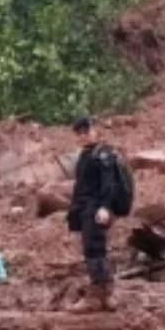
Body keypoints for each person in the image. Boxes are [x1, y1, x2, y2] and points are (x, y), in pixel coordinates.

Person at [67, 117, 121, 309]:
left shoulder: (103, 154)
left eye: (86, 131)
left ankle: (99, 295)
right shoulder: (86, 155)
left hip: (96, 208)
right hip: (85, 209)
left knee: (95, 249)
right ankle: (104, 295)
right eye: (79, 133)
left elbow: (109, 184)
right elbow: (81, 186)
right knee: (92, 249)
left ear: (96, 131)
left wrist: (105, 207)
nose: (83, 136)